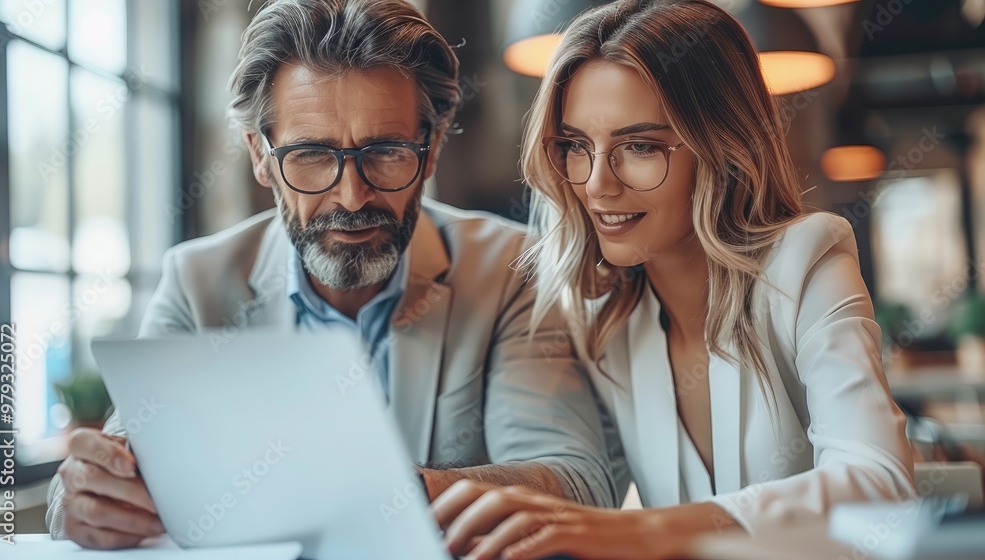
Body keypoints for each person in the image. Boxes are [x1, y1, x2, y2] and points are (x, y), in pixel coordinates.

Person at [45, 0, 615, 549]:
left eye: (387, 151)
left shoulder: (514, 269)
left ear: (434, 147)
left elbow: (576, 481)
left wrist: (381, 493)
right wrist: (79, 497)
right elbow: (120, 458)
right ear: (261, 157)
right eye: (312, 154)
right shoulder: (196, 283)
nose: (351, 195)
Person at [432, 1, 916, 558]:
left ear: (722, 147)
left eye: (639, 147)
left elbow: (880, 484)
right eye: (575, 146)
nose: (596, 185)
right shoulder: (597, 317)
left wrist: (638, 531)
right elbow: (579, 475)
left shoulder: (807, 260)